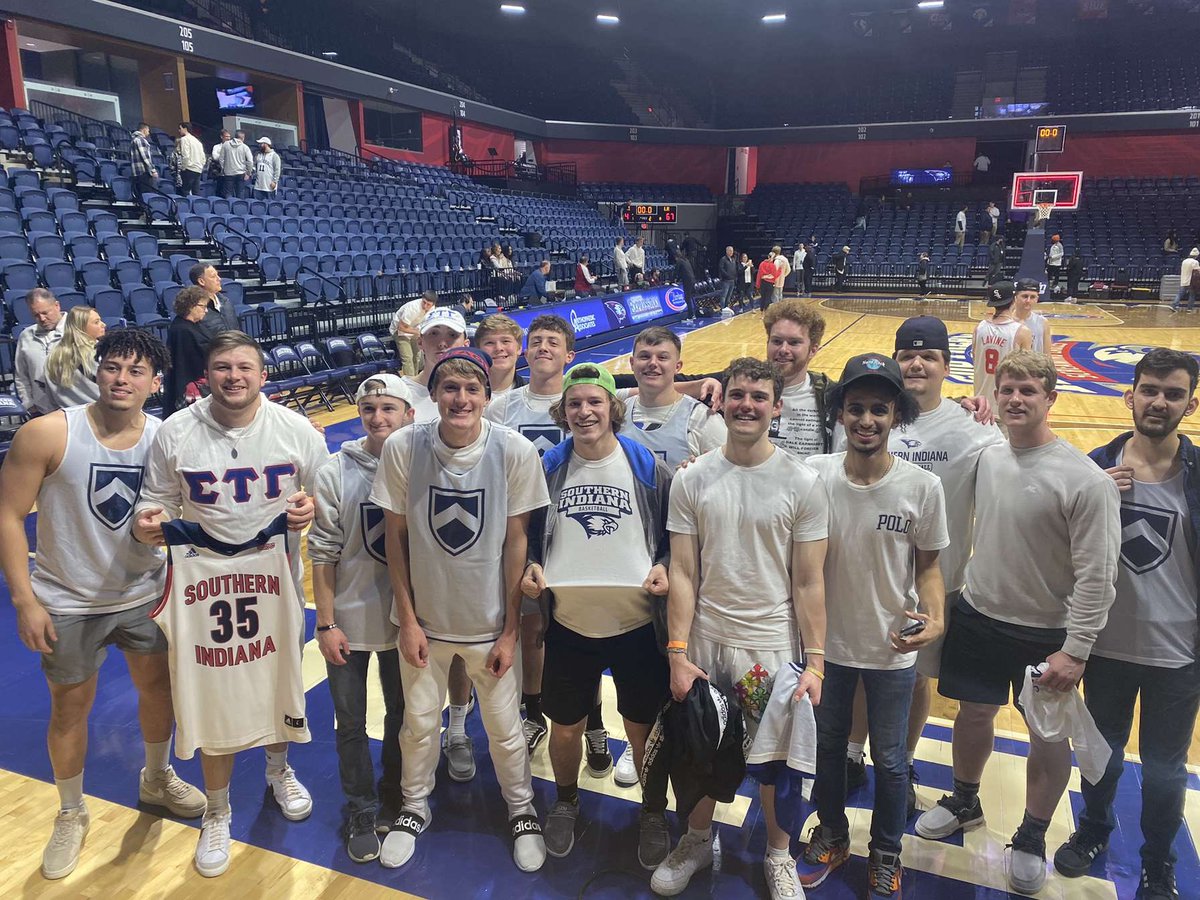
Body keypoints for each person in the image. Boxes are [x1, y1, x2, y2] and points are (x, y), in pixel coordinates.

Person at [0, 329, 206, 882]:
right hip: (67, 599)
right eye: (113, 367)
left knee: (159, 692)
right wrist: (24, 600)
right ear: (97, 371)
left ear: (154, 383)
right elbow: (8, 517)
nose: (121, 379)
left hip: (145, 593)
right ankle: (70, 812)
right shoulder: (46, 433)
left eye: (136, 371)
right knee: (70, 709)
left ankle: (156, 777)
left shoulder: (166, 440)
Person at [915, 350, 1121, 896]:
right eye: (1007, 389)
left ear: (1051, 398)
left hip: (1047, 635)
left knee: (1047, 739)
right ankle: (964, 798)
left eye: (1029, 390)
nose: (1016, 399)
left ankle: (1031, 834)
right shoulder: (989, 455)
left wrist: (1076, 651)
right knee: (973, 714)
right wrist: (965, 406)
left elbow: (1098, 577)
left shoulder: (1086, 481)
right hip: (980, 616)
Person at [133, 330, 329, 877]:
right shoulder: (176, 432)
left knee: (275, 684)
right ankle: (216, 808)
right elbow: (155, 502)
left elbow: (324, 492)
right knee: (213, 694)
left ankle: (277, 769)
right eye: (223, 367)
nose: (234, 376)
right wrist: (149, 523)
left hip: (277, 583)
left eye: (245, 367)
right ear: (207, 374)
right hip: (204, 589)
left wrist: (310, 507)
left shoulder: (293, 430)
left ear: (263, 376)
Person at [652, 356, 829, 899]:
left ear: (777, 408)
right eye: (737, 395)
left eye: (758, 396)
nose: (746, 404)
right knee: (699, 750)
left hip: (772, 646)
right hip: (705, 638)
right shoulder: (693, 478)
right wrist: (678, 652)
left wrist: (817, 661)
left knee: (776, 763)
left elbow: (809, 583)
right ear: (721, 401)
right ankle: (698, 839)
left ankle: (779, 855)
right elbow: (683, 571)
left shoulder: (802, 482)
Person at [370, 346, 549, 873]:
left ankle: (522, 810)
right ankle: (413, 806)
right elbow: (394, 540)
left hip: (490, 625)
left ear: (487, 397)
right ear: (433, 395)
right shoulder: (404, 446)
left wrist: (511, 630)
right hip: (425, 623)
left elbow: (517, 543)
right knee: (418, 725)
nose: (461, 397)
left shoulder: (514, 450)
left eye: (472, 389)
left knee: (504, 729)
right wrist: (406, 618)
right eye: (450, 387)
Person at [835, 317, 1004, 822]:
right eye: (907, 355)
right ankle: (850, 753)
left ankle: (903, 764)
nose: (917, 363)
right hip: (861, 578)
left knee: (912, 682)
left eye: (928, 356)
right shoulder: (867, 414)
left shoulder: (974, 427)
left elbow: (1024, 463)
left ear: (946, 367)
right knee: (864, 678)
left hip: (934, 583)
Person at [1051, 348, 1199, 900]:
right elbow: (1061, 551)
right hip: (1106, 647)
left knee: (1165, 771)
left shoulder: (1198, 475)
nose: (1160, 401)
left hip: (1178, 654)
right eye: (1151, 389)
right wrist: (1095, 500)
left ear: (1191, 402)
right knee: (1101, 754)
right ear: (1129, 393)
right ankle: (1093, 830)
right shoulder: (1094, 465)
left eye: (1174, 393)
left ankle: (1157, 861)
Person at [801, 354, 948, 898]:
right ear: (840, 413)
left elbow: (930, 566)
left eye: (879, 410)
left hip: (892, 650)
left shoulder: (922, 486)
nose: (867, 420)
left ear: (896, 416)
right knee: (830, 750)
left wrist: (934, 618)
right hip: (826, 648)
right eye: (856, 408)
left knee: (890, 762)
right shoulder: (813, 475)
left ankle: (886, 851)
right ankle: (833, 834)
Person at [522, 364, 674, 868]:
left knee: (641, 729)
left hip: (634, 625)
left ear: (613, 407)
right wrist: (530, 569)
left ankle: (652, 811)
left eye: (594, 402)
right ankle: (566, 801)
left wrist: (664, 568)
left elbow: (674, 542)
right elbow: (530, 539)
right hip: (569, 624)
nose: (585, 411)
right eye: (574, 404)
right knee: (564, 727)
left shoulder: (647, 466)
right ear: (562, 412)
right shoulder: (548, 468)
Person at [311, 375, 414, 863]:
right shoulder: (335, 471)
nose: (378, 418)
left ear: (409, 414)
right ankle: (360, 804)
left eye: (389, 408)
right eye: (369, 408)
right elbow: (323, 553)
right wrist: (326, 623)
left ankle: (394, 793)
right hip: (349, 621)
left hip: (404, 621)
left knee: (403, 717)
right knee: (350, 721)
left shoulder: (423, 466)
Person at [619, 326, 726, 470]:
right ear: (632, 363)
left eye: (662, 357)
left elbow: (729, 476)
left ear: (677, 366)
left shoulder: (703, 420)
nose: (652, 363)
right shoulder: (618, 413)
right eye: (644, 356)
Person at [402, 307, 470, 423]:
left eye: (452, 335)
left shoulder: (477, 391)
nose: (442, 343)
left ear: (466, 344)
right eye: (434, 333)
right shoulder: (402, 391)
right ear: (420, 342)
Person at [972, 282, 1032, 402]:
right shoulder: (1021, 331)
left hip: (980, 402)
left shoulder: (979, 328)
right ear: (1014, 300)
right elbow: (1026, 372)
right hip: (1007, 403)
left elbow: (975, 358)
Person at [14, 288, 66, 416]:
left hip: (75, 410)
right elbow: (21, 375)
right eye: (36, 315)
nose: (42, 319)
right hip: (42, 412)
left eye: (45, 312)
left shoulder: (77, 330)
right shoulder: (26, 336)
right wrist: (29, 405)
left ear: (57, 306)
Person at [163, 286, 212, 418]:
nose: (206, 311)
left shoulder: (190, 326)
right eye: (203, 306)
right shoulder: (183, 330)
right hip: (191, 388)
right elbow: (188, 364)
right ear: (191, 306)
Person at [45, 305, 105, 410]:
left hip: (66, 417)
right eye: (96, 322)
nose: (103, 324)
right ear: (81, 327)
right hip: (98, 417)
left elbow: (51, 395)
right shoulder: (97, 354)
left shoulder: (53, 355)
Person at [474, 313, 527, 396]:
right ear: (478, 350)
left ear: (519, 348)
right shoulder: (465, 396)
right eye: (489, 343)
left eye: (506, 341)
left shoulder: (534, 393)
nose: (498, 348)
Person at [389, 291, 437, 377]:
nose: (425, 306)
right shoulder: (413, 308)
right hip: (399, 330)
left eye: (428, 304)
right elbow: (401, 327)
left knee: (416, 356)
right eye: (424, 302)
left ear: (433, 304)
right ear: (422, 300)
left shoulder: (433, 309)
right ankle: (410, 382)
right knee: (408, 357)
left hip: (413, 329)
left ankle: (415, 377)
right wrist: (418, 332)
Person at [189, 263, 240, 341]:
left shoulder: (226, 301)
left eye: (218, 275)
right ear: (201, 281)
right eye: (213, 276)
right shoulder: (195, 309)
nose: (219, 279)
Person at [1013, 278, 1050, 354]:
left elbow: (1047, 355)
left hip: (1036, 365)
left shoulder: (1043, 322)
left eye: (1032, 297)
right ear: (1016, 297)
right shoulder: (1007, 321)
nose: (1028, 301)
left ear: (1037, 299)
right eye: (1025, 296)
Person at [215, 130, 253, 199]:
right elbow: (250, 161)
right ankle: (239, 208)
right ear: (243, 138)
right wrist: (248, 173)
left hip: (228, 173)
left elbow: (221, 159)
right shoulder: (245, 147)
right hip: (241, 173)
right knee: (240, 193)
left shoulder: (225, 144)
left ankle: (229, 208)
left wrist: (224, 168)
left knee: (228, 193)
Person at [175, 122, 205, 197]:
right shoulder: (197, 141)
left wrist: (183, 167)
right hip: (198, 169)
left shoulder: (184, 139)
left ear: (185, 128)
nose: (179, 130)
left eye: (180, 128)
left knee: (185, 191)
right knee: (196, 192)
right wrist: (200, 166)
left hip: (189, 169)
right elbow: (203, 158)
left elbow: (185, 155)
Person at [129, 122, 158, 199]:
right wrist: (153, 170)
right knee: (145, 195)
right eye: (148, 130)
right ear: (144, 129)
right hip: (143, 171)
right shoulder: (140, 140)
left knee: (140, 195)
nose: (148, 133)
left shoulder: (134, 140)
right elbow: (145, 157)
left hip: (136, 172)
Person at [1172, 247, 1199, 312]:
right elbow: (1197, 272)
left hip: (1183, 279)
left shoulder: (1184, 261)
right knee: (1192, 294)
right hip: (1191, 281)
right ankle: (1189, 308)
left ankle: (1174, 305)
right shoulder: (1195, 262)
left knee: (1180, 294)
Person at [718, 246, 737, 310]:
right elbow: (721, 269)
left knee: (729, 296)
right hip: (725, 281)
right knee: (724, 296)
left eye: (732, 250)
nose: (732, 252)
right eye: (730, 250)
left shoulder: (733, 259)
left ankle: (726, 308)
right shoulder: (723, 259)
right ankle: (722, 309)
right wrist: (727, 275)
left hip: (732, 280)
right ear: (727, 251)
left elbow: (734, 269)